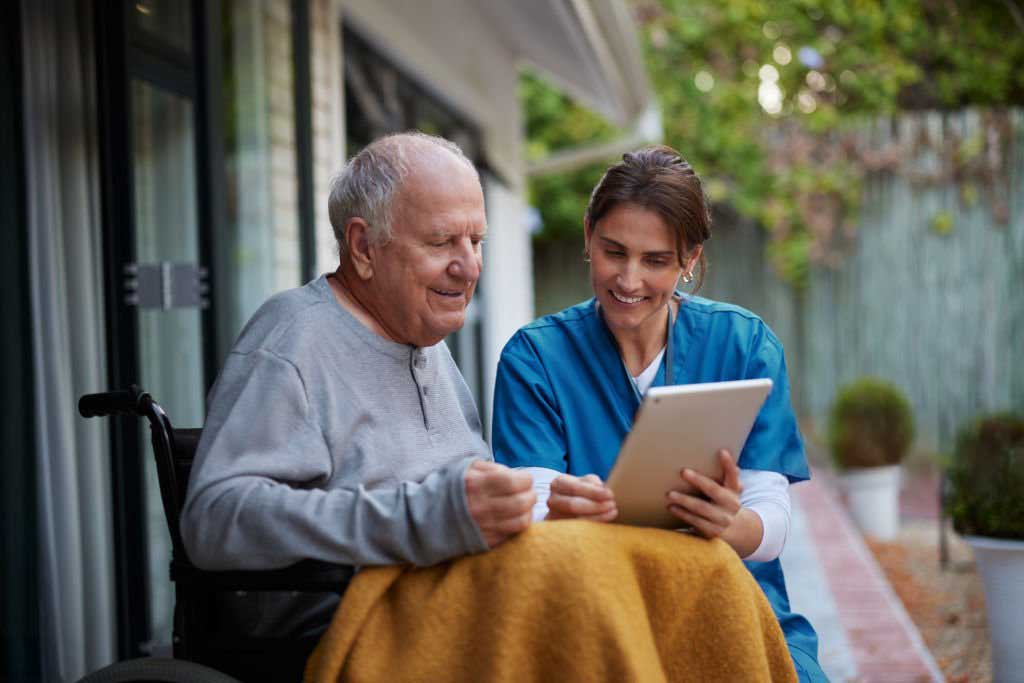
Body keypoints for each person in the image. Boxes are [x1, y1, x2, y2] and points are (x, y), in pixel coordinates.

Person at [180, 132, 535, 667]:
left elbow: (455, 501)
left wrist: (537, 505)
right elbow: (214, 519)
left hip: (449, 604)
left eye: (476, 241)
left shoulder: (422, 340)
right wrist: (417, 520)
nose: (469, 267)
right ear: (364, 248)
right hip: (348, 632)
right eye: (442, 243)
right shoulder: (292, 339)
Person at [491, 146, 826, 681]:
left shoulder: (744, 345)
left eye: (655, 261)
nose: (628, 280)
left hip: (729, 599)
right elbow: (527, 510)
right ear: (587, 236)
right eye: (613, 251)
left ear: (689, 260)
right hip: (592, 605)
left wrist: (732, 523)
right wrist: (555, 511)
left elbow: (772, 525)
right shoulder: (535, 359)